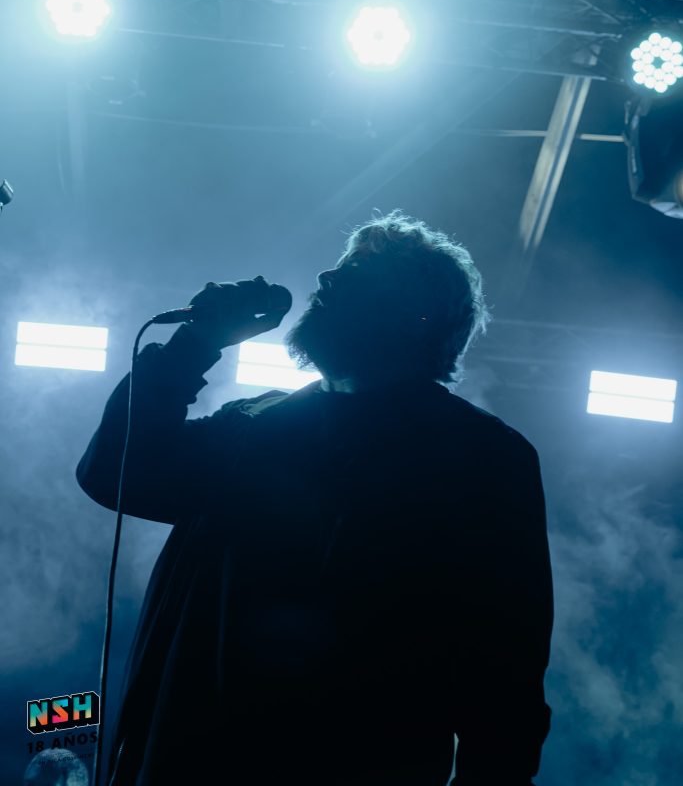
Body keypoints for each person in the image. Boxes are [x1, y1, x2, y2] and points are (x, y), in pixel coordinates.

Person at [76, 210, 553, 786]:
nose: (327, 277)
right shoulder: (254, 422)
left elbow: (506, 669)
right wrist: (194, 345)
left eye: (360, 271)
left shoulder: (481, 457)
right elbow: (115, 472)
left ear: (417, 316)